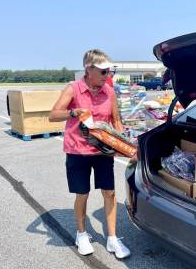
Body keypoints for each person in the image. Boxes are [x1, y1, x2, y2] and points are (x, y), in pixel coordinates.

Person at [49, 49, 130, 258]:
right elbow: (53, 115)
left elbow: (117, 120)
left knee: (110, 192)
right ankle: (82, 234)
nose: (107, 76)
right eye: (103, 72)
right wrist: (72, 112)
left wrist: (120, 144)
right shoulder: (73, 89)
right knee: (82, 194)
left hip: (103, 151)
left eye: (109, 72)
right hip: (78, 151)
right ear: (89, 69)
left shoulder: (109, 92)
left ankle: (112, 238)